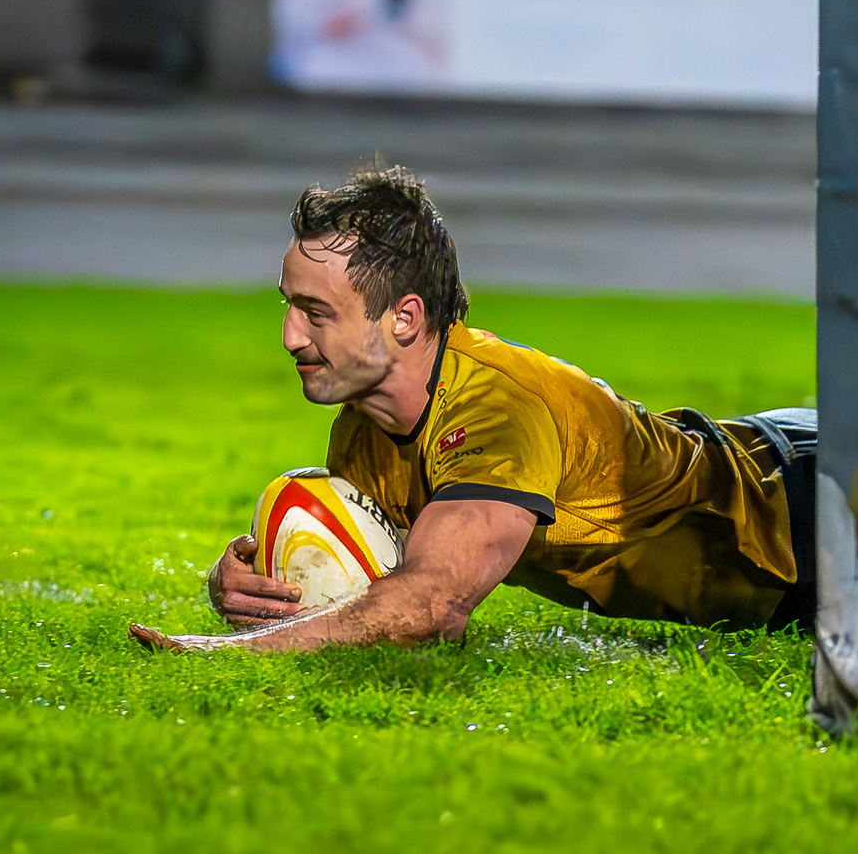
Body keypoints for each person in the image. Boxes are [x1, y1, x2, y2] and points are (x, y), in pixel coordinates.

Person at [128, 167, 815, 654]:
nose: (288, 336)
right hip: (772, 495)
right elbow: (379, 597)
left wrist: (224, 651)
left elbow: (432, 604)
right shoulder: (361, 434)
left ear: (404, 318)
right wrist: (248, 585)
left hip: (817, 510)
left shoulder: (495, 408)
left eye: (315, 312)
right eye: (286, 304)